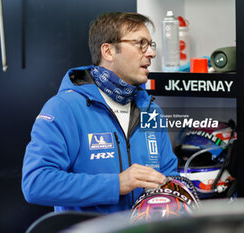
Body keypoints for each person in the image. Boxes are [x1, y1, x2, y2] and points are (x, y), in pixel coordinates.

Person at [21, 12, 179, 214]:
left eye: (151, 45)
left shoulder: (151, 111)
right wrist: (116, 184)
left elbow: (169, 176)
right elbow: (36, 183)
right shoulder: (64, 107)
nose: (151, 53)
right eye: (141, 43)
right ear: (108, 51)